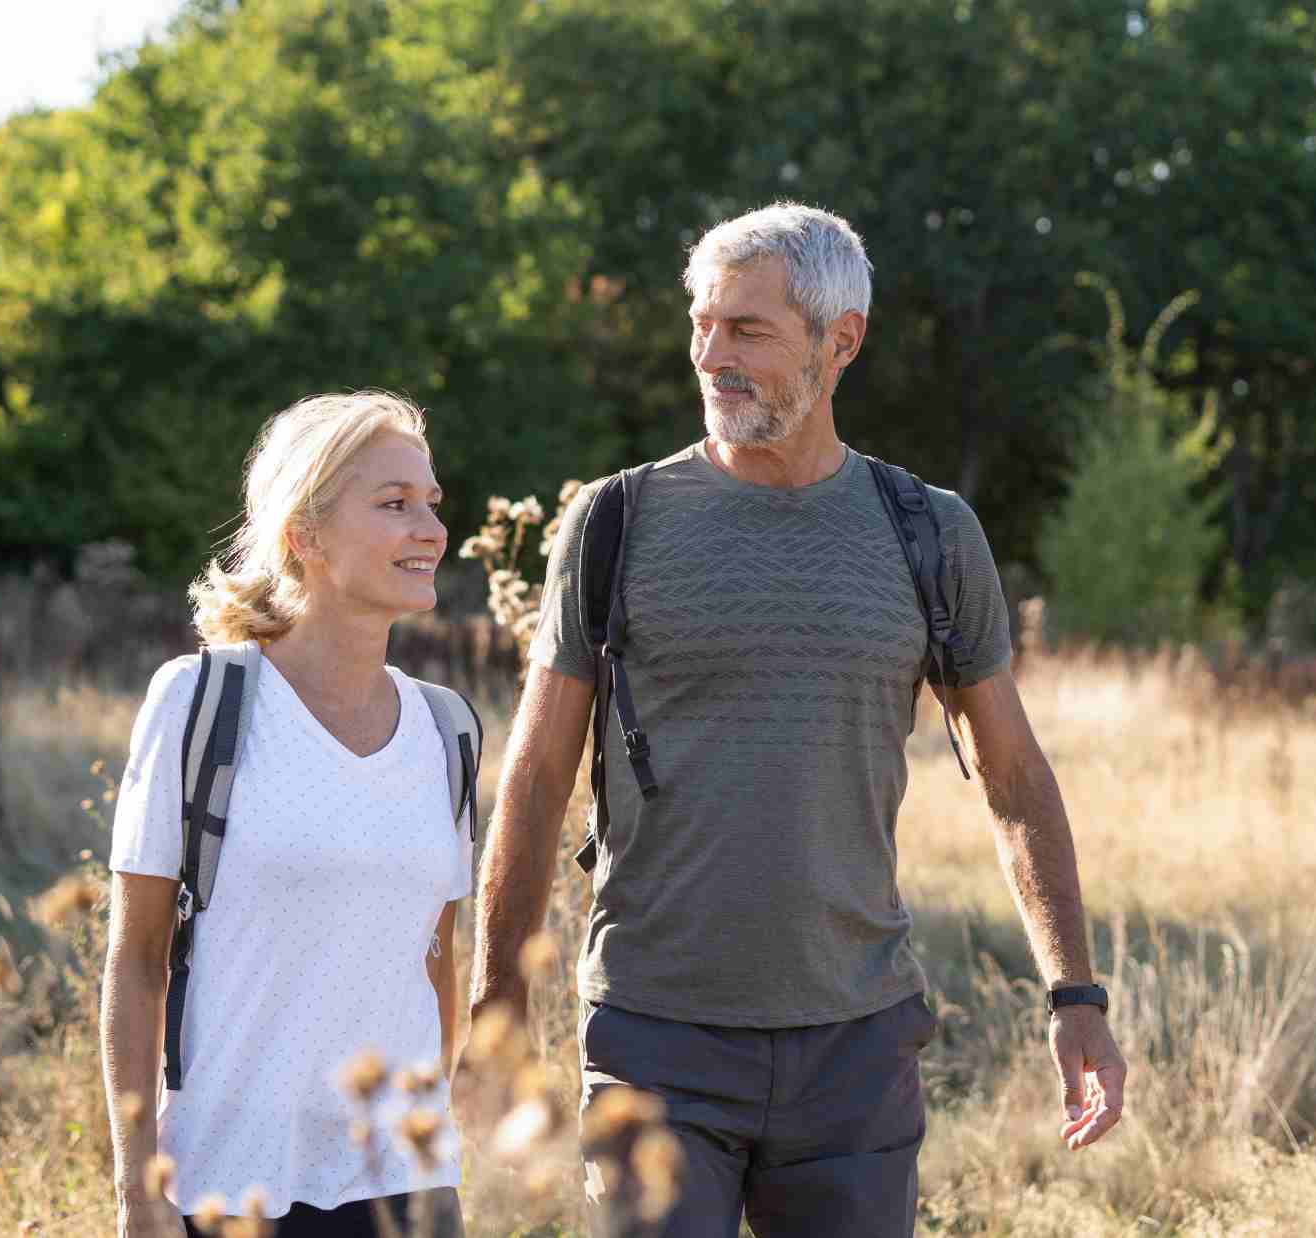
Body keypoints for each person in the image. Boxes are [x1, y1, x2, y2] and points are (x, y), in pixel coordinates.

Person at [468, 203, 1127, 1236]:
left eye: (747, 330)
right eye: (701, 322)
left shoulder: (928, 531)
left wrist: (1074, 994)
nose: (709, 354)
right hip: (656, 1036)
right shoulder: (615, 520)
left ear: (841, 340)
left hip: (856, 1050)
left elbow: (1012, 775)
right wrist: (497, 996)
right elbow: (537, 773)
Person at [102, 391, 472, 1238]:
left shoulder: (447, 727)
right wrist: (136, 1189)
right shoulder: (198, 702)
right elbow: (139, 960)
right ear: (303, 535)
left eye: (430, 503)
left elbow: (440, 957)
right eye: (394, 504)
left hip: (404, 1192)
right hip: (228, 1185)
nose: (430, 529)